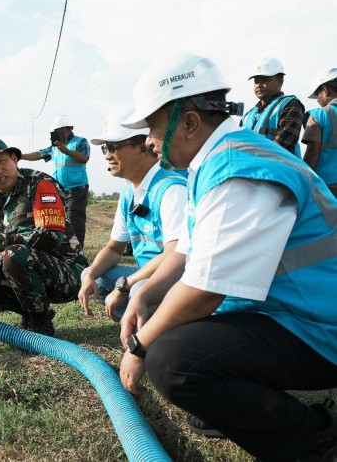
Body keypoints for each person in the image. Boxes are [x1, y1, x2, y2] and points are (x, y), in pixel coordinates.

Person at [115, 53, 337, 461]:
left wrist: (140, 347)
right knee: (171, 323)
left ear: (190, 123)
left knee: (173, 360)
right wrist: (146, 294)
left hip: (322, 329)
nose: (147, 141)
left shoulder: (239, 170)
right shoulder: (215, 160)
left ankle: (313, 441)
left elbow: (204, 291)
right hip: (295, 313)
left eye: (153, 127)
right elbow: (188, 250)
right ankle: (236, 406)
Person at [0, 138, 89, 336]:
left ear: (14, 159)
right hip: (25, 273)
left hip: (68, 273)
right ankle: (33, 311)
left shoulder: (41, 184)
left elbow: (52, 235)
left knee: (13, 254)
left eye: (2, 161)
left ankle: (40, 325)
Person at [77, 105, 186, 321]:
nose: (108, 156)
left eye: (113, 147)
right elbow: (114, 248)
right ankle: (140, 321)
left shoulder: (171, 189)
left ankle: (152, 336)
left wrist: (125, 286)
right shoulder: (129, 192)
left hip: (176, 279)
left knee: (140, 290)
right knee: (93, 276)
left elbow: (174, 255)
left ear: (143, 146)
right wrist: (90, 274)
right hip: (147, 275)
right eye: (105, 149)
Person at [21, 115, 90, 246]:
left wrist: (67, 151)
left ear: (64, 129)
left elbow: (84, 158)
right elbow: (39, 154)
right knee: (62, 221)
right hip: (60, 191)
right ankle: (67, 249)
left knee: (75, 221)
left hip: (77, 190)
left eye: (55, 131)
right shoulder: (54, 147)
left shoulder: (80, 141)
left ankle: (78, 252)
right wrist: (21, 156)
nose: (54, 135)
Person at [240, 57, 305, 158]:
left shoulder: (290, 104)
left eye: (265, 80)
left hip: (280, 171)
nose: (259, 85)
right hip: (251, 171)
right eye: (256, 81)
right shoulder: (247, 116)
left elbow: (283, 145)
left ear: (280, 81)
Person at [302, 67, 337, 198]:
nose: (317, 100)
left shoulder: (318, 115)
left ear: (326, 90)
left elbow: (312, 153)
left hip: (328, 188)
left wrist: (303, 181)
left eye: (318, 95)